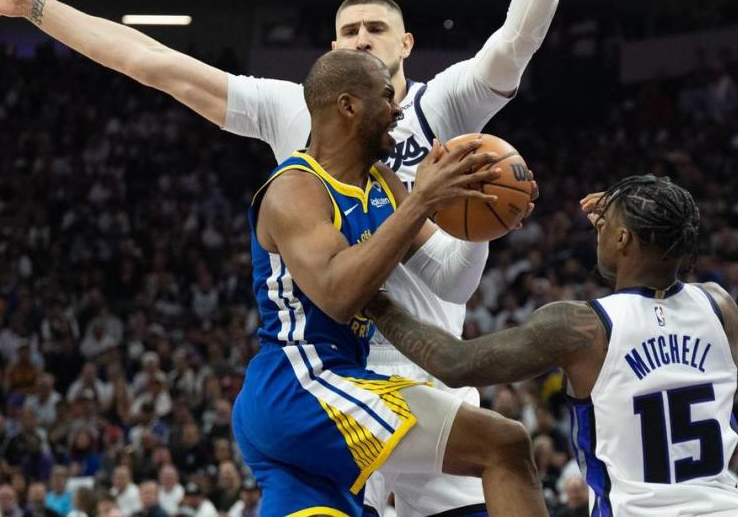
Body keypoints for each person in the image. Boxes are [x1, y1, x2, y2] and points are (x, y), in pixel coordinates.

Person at [0, 0, 577, 514]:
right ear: (332, 63)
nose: (362, 41)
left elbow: (510, 50)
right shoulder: (295, 116)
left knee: (498, 452)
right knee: (497, 447)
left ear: (406, 45)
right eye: (348, 33)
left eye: (376, 30)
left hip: (421, 372)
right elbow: (157, 65)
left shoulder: (441, 110)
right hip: (336, 376)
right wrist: (36, 6)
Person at [232, 49, 545, 515]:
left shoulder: (380, 180)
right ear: (348, 106)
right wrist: (420, 203)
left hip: (317, 393)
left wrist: (482, 223)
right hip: (302, 384)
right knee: (504, 443)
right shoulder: (296, 188)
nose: (398, 107)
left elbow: (447, 276)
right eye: (385, 96)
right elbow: (338, 294)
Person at [365, 174, 738, 516]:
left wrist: (372, 298)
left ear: (623, 238)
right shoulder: (721, 307)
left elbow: (455, 363)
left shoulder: (582, 328)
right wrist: (637, 217)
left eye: (607, 227)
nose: (596, 230)